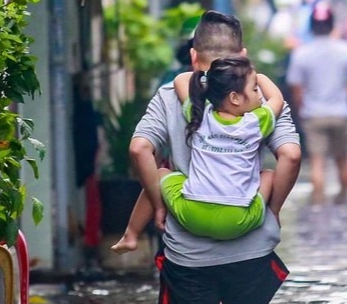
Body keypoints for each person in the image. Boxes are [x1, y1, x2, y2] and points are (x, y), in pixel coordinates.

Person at [128, 10, 301, 304]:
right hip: (250, 246)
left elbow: (140, 148)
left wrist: (159, 205)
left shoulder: (171, 98)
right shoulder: (256, 103)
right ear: (241, 55)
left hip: (187, 252)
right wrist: (268, 211)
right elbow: (290, 155)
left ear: (193, 56)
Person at [112, 57, 284, 251]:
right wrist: (260, 76)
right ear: (235, 98)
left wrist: (206, 78)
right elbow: (276, 99)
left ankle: (131, 235)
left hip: (191, 215)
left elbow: (180, 81)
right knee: (269, 174)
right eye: (254, 90)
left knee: (160, 173)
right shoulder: (255, 122)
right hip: (237, 220)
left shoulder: (199, 115)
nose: (259, 96)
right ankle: (274, 215)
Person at [286, 1, 347, 205]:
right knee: (343, 161)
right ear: (332, 24)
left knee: (317, 164)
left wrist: (301, 110)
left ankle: (318, 206)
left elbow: (296, 88)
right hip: (340, 113)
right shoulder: (346, 50)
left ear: (311, 26)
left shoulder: (301, 53)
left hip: (313, 115)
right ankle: (344, 203)